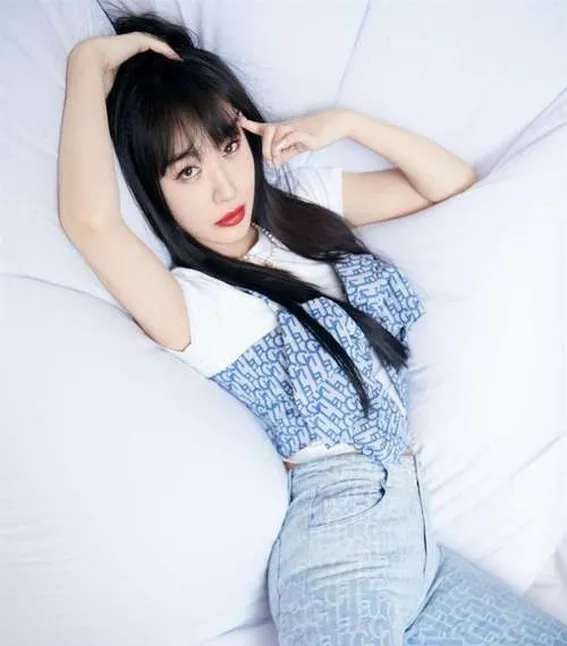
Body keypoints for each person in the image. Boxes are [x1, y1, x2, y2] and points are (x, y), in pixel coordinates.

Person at [57, 11, 567, 646]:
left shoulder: (302, 205)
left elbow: (450, 184)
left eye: (227, 146)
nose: (223, 188)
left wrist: (347, 123)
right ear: (154, 191)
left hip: (421, 547)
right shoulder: (196, 304)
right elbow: (91, 223)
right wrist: (87, 64)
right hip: (339, 554)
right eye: (187, 171)